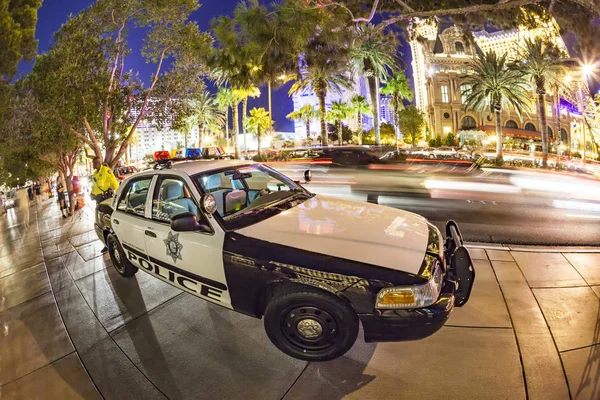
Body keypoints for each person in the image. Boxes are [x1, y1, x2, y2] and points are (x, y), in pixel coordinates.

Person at [91, 156, 119, 253]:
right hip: (98, 200)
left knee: (109, 220)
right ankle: (106, 244)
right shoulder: (95, 174)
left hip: (107, 198)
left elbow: (114, 183)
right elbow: (94, 186)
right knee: (101, 222)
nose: (93, 165)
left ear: (98, 163)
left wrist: (117, 195)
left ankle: (114, 241)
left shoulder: (106, 171)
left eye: (94, 163)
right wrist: (92, 193)